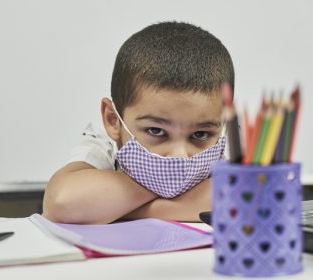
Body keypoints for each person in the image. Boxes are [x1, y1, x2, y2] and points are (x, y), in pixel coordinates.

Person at [43, 21, 235, 224]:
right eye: (156, 130)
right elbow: (62, 202)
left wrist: (115, 209)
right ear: (113, 120)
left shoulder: (223, 148)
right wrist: (178, 198)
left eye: (200, 135)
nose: (180, 156)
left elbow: (242, 198)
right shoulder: (103, 144)